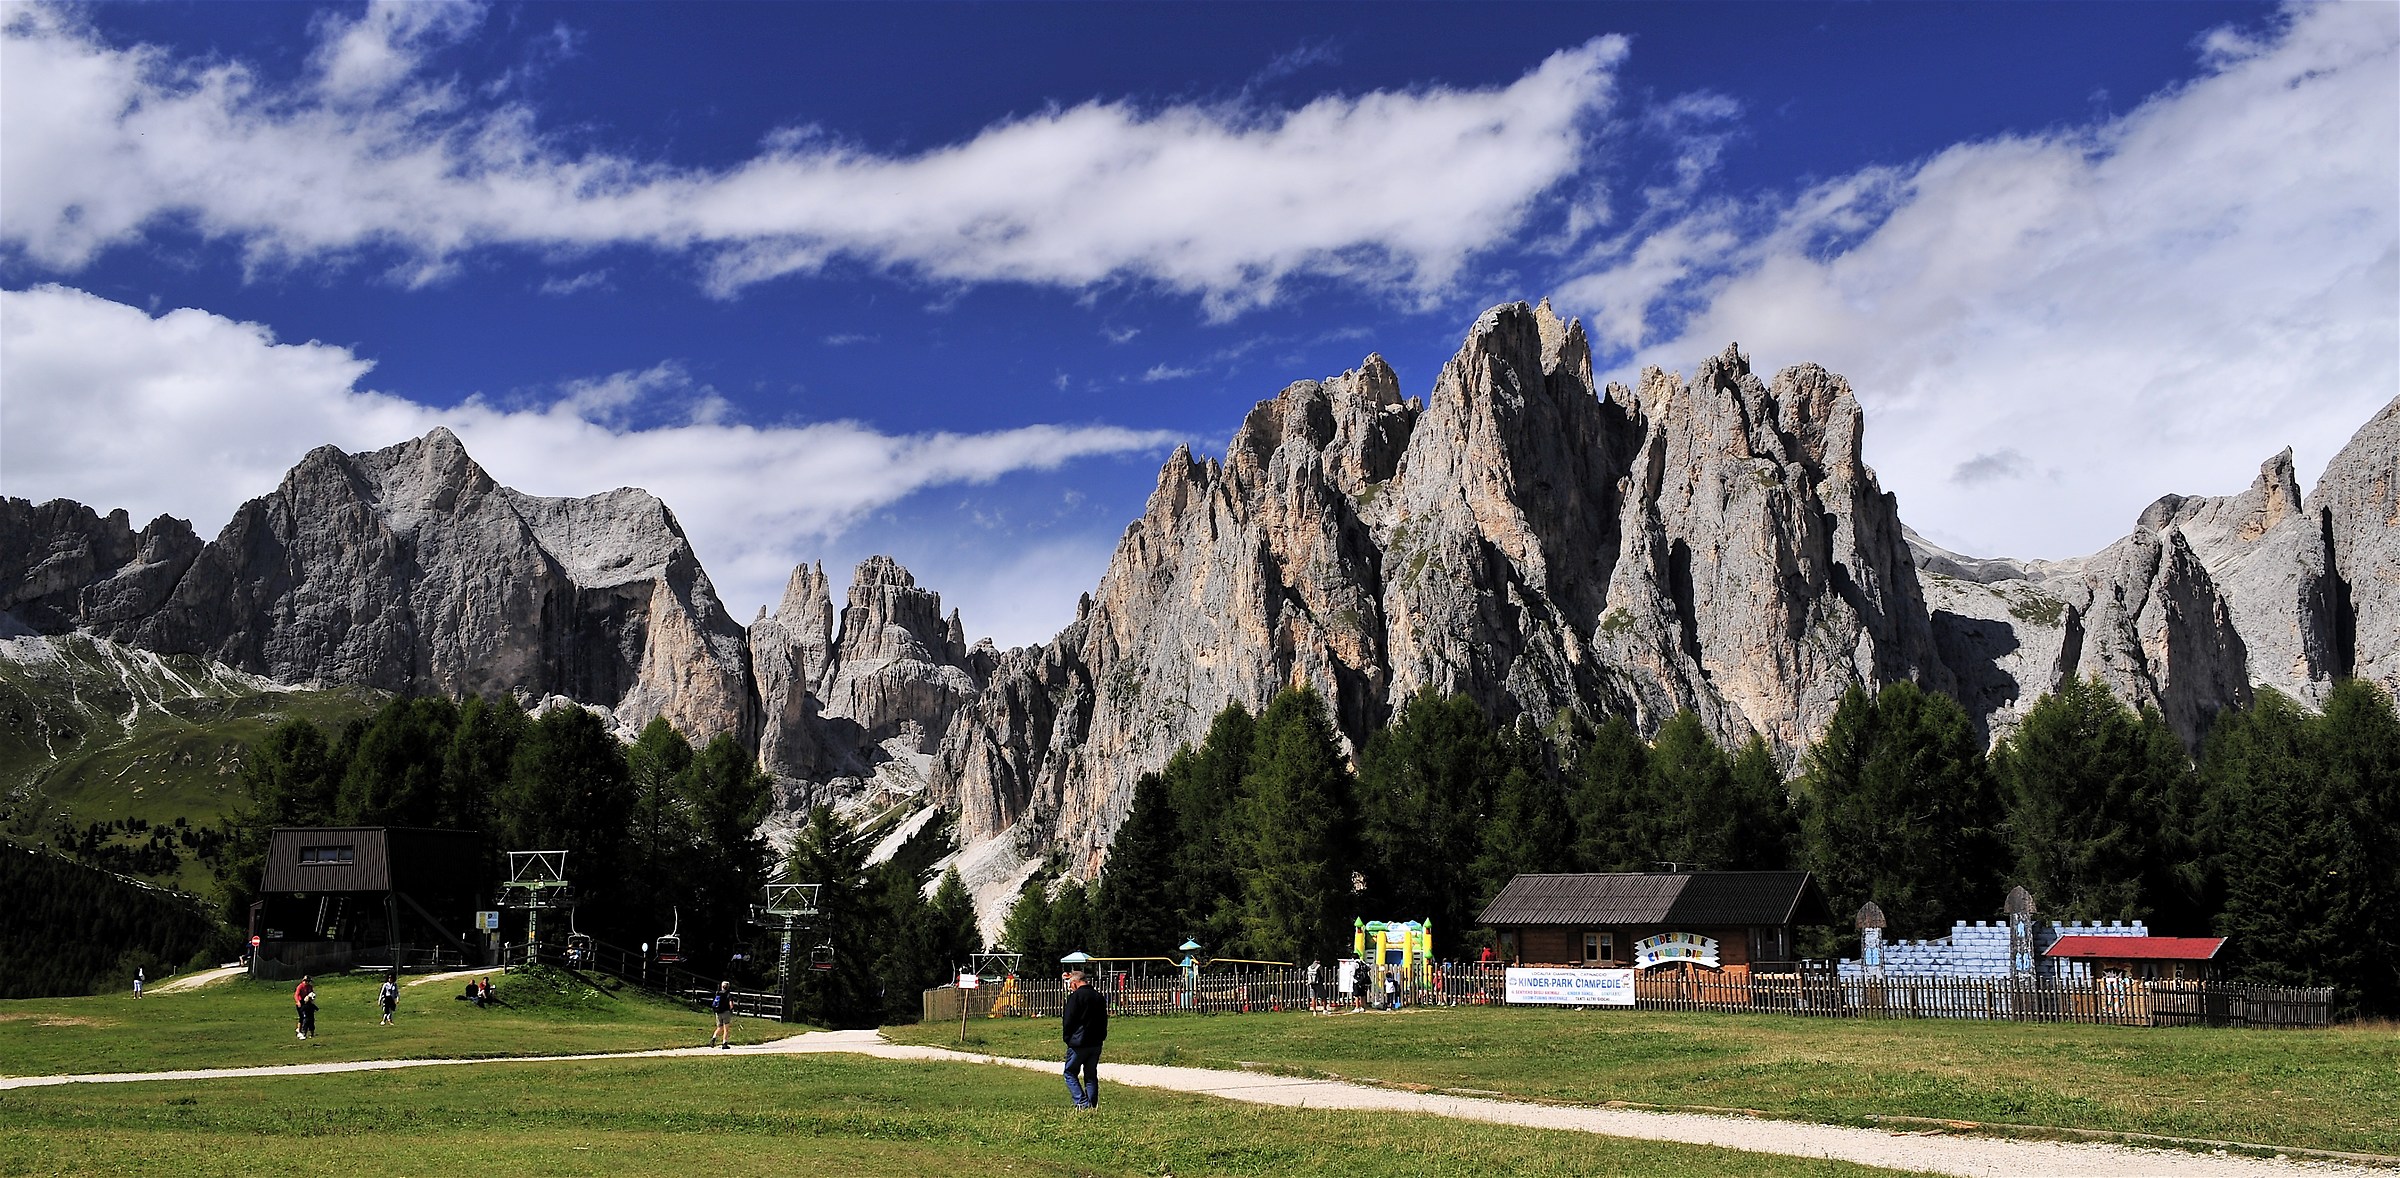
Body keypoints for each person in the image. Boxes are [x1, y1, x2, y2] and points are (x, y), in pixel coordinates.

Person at [1060, 969, 1107, 1109]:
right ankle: (1092, 1104)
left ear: (1075, 983)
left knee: (1070, 1072)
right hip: (1096, 1042)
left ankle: (1082, 1103)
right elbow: (1104, 1019)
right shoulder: (1098, 996)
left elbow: (1068, 1020)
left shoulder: (1076, 997)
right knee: (1091, 1075)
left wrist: (1068, 1038)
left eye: (1070, 985)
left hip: (1078, 1042)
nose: (1070, 988)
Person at [708, 981, 734, 1049]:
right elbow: (731, 1005)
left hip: (718, 1012)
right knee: (726, 1029)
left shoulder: (718, 993)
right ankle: (724, 1043)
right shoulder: (729, 994)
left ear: (722, 986)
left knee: (719, 1027)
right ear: (728, 987)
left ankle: (713, 1038)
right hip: (726, 1012)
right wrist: (731, 1010)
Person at [293, 975, 317, 1039]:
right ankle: (300, 1030)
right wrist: (298, 1002)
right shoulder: (300, 987)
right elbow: (296, 995)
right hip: (301, 1003)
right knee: (302, 1017)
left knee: (307, 1017)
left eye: (308, 981)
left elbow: (311, 994)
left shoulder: (310, 987)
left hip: (307, 1003)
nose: (307, 982)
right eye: (306, 981)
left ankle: (302, 1030)